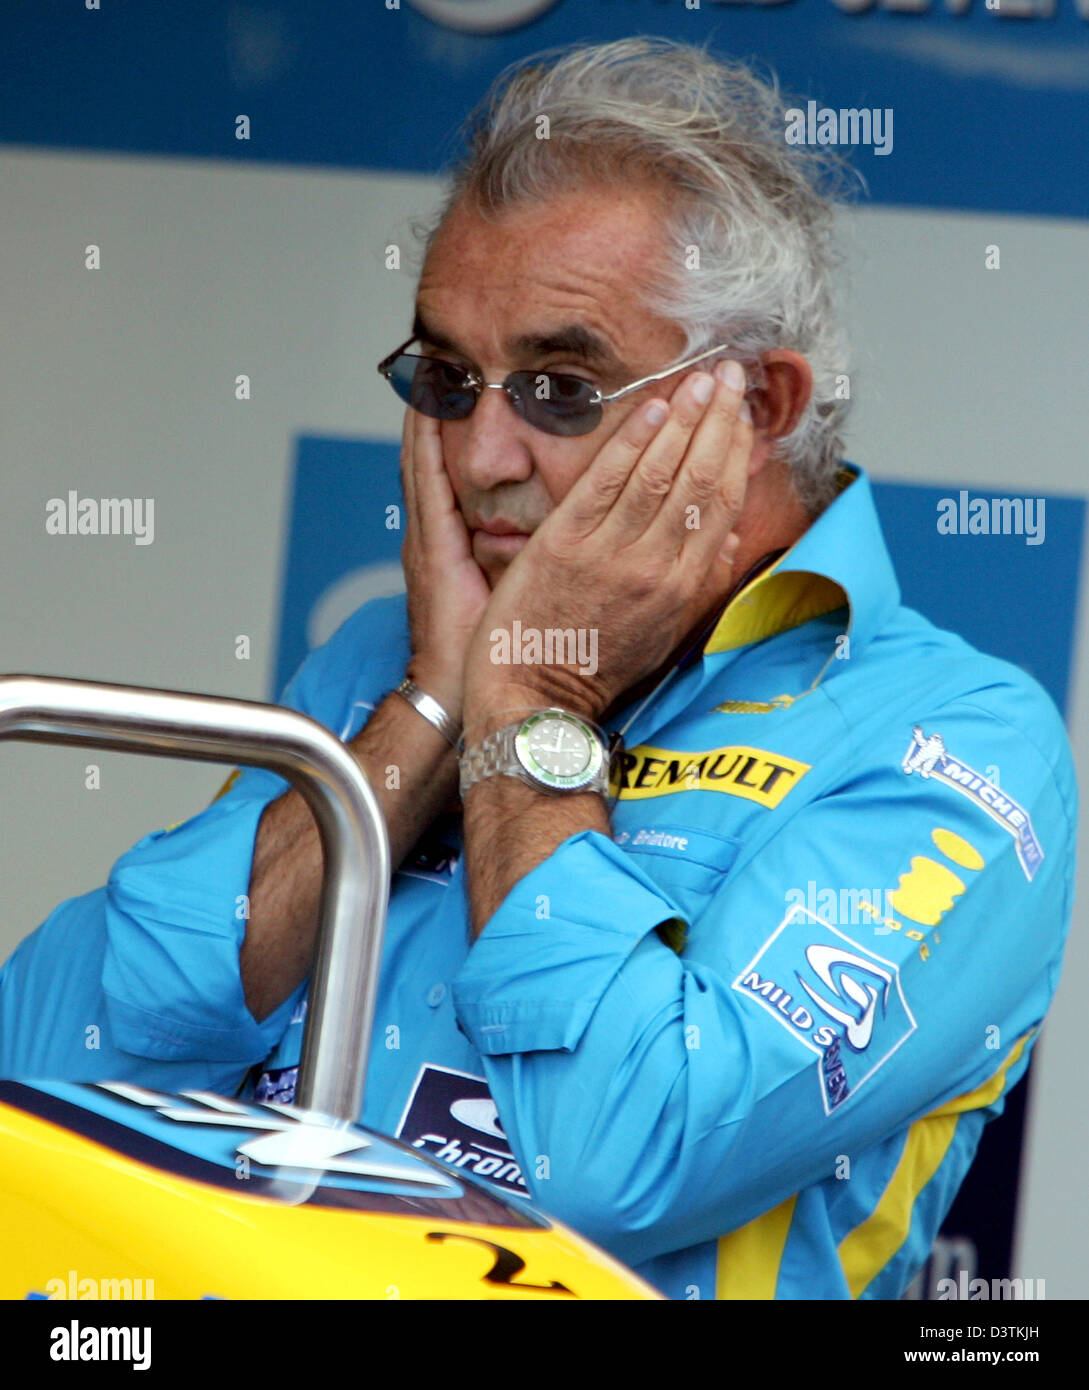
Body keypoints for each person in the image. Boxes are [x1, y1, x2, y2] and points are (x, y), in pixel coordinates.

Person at [0, 36, 1075, 1301]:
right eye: (448, 377)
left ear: (766, 404)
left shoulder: (954, 739)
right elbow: (48, 1058)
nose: (480, 455)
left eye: (562, 387)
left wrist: (529, 711)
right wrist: (431, 708)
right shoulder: (397, 660)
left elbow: (619, 1156)